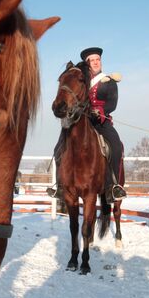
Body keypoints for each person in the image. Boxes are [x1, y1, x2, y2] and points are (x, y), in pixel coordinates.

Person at [47, 47, 127, 204]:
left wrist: (101, 110)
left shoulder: (108, 81)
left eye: (98, 60)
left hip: (100, 122)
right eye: (92, 60)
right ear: (87, 64)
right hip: (81, 121)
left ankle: (113, 186)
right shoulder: (80, 80)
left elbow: (113, 102)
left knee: (116, 146)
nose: (96, 63)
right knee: (58, 148)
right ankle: (60, 186)